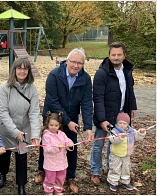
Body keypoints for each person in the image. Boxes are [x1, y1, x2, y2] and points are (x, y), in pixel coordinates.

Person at [35, 48, 94, 193]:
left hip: (72, 117)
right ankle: (42, 170)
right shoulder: (54, 75)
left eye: (80, 63)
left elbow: (87, 103)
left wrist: (88, 127)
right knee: (48, 145)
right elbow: (52, 100)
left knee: (71, 146)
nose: (76, 65)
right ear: (67, 61)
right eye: (73, 61)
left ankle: (70, 176)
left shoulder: (85, 79)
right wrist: (66, 121)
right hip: (53, 117)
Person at [90, 42, 137, 185]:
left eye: (119, 54)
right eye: (113, 55)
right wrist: (102, 119)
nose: (116, 57)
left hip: (120, 116)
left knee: (115, 145)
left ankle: (112, 170)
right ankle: (95, 171)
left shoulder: (127, 70)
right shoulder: (102, 73)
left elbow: (130, 90)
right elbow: (97, 98)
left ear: (124, 55)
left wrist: (132, 107)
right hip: (104, 115)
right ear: (109, 55)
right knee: (99, 144)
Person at [0, 57, 41, 195]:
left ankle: (21, 185)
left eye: (25, 68)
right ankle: (3, 175)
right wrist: (14, 131)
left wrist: (35, 134)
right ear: (14, 70)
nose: (22, 71)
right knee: (6, 154)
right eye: (19, 68)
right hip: (6, 128)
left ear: (28, 71)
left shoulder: (32, 89)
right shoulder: (5, 87)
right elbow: (2, 112)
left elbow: (34, 112)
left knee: (22, 157)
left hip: (24, 128)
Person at [107, 113, 146, 191]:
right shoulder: (114, 131)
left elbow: (138, 137)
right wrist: (120, 137)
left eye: (124, 123)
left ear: (128, 124)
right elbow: (113, 140)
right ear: (117, 123)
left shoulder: (131, 131)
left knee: (126, 168)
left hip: (126, 155)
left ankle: (125, 181)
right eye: (120, 123)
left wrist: (141, 132)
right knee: (115, 168)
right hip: (116, 154)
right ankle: (113, 182)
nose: (122, 125)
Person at [41, 111, 74, 195]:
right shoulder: (46, 136)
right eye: (51, 125)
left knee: (60, 177)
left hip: (61, 162)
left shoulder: (62, 134)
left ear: (59, 125)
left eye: (56, 125)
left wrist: (69, 144)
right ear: (47, 124)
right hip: (51, 163)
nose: (53, 127)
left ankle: (58, 191)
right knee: (50, 178)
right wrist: (57, 147)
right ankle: (48, 191)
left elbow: (67, 141)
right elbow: (47, 149)